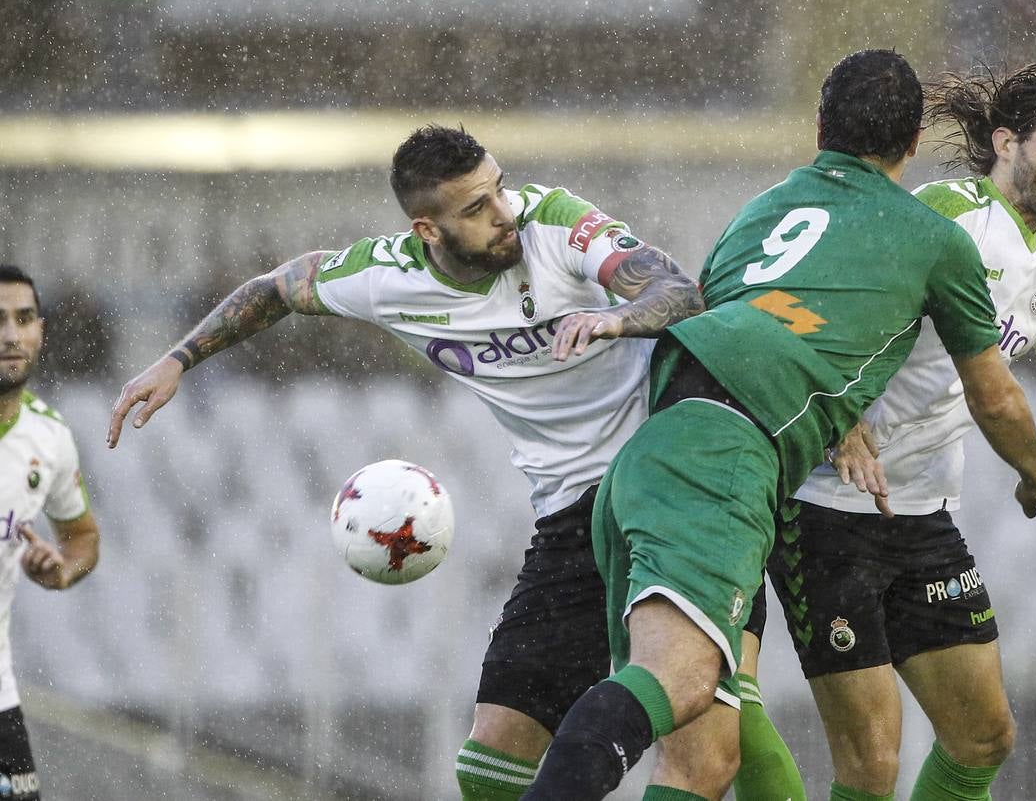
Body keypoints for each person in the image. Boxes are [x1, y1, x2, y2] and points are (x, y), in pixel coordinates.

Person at [105, 125, 802, 801]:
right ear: (427, 231)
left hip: (674, 487)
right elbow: (277, 288)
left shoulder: (555, 222)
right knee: (493, 756)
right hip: (570, 512)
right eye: (477, 208)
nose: (504, 214)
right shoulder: (385, 276)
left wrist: (618, 318)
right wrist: (177, 360)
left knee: (708, 752)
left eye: (499, 189)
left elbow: (677, 290)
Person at [522, 49, 1036, 801]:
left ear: (820, 127)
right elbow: (999, 399)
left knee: (704, 759)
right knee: (679, 682)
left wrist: (836, 411)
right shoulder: (933, 235)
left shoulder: (760, 211)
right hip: (727, 463)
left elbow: (721, 315)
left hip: (653, 456)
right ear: (913, 144)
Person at [766, 63, 1036, 801]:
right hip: (826, 510)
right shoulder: (948, 210)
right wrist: (843, 416)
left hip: (923, 517)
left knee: (982, 738)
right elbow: (825, 301)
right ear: (1006, 141)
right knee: (869, 767)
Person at [0, 266, 101, 800]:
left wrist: (61, 571)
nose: (10, 336)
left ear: (41, 329)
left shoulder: (50, 439)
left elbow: (83, 537)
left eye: (23, 318)